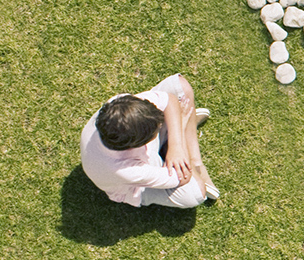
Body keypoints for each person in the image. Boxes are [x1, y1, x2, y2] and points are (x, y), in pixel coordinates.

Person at [79, 73, 219, 207]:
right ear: (138, 144)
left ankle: (193, 159)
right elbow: (183, 177)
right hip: (136, 185)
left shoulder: (119, 109)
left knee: (181, 86)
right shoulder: (125, 170)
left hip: (137, 145)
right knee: (196, 193)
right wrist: (180, 128)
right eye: (157, 129)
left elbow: (169, 99)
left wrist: (175, 146)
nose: (160, 124)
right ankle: (185, 129)